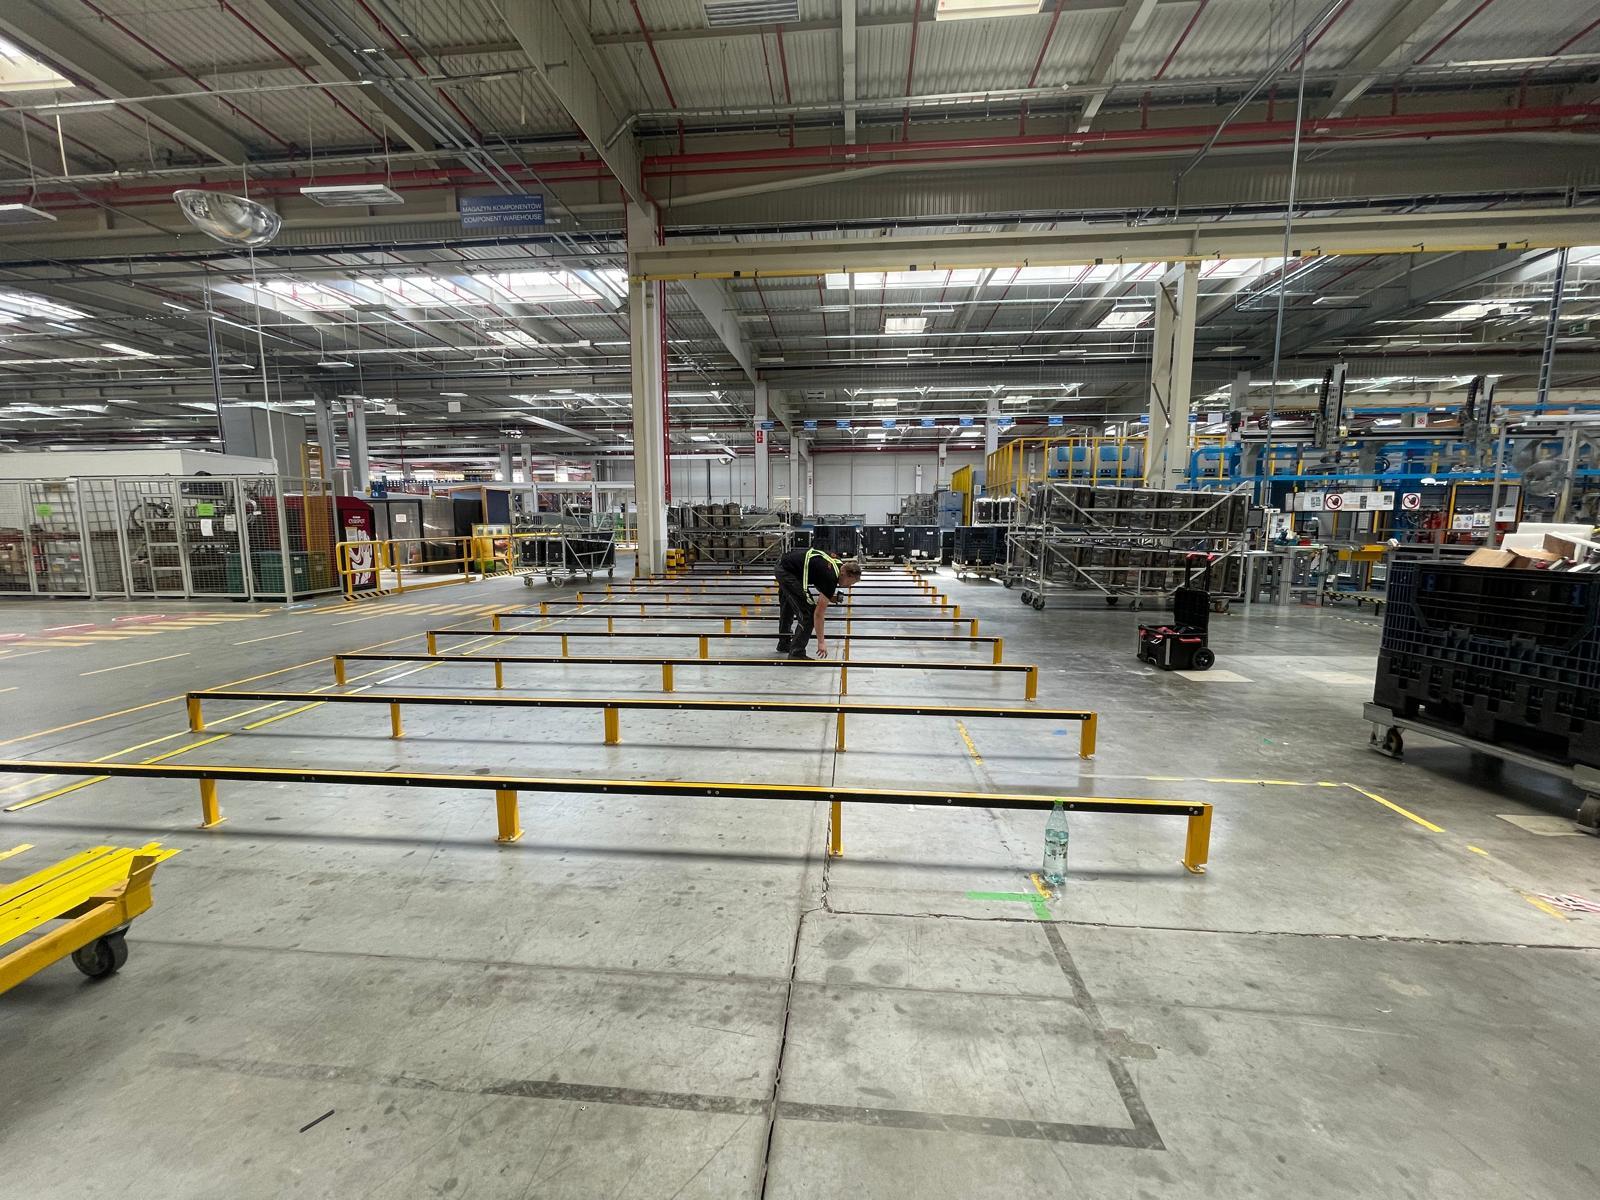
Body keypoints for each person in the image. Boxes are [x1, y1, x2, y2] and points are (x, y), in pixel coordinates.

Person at [774, 547, 862, 660]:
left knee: (789, 605)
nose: (848, 586)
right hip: (787, 572)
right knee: (808, 613)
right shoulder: (830, 577)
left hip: (786, 565)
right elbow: (818, 614)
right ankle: (797, 652)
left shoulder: (838, 563)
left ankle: (784, 643)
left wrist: (829, 596)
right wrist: (821, 642)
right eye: (850, 583)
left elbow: (818, 575)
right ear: (844, 573)